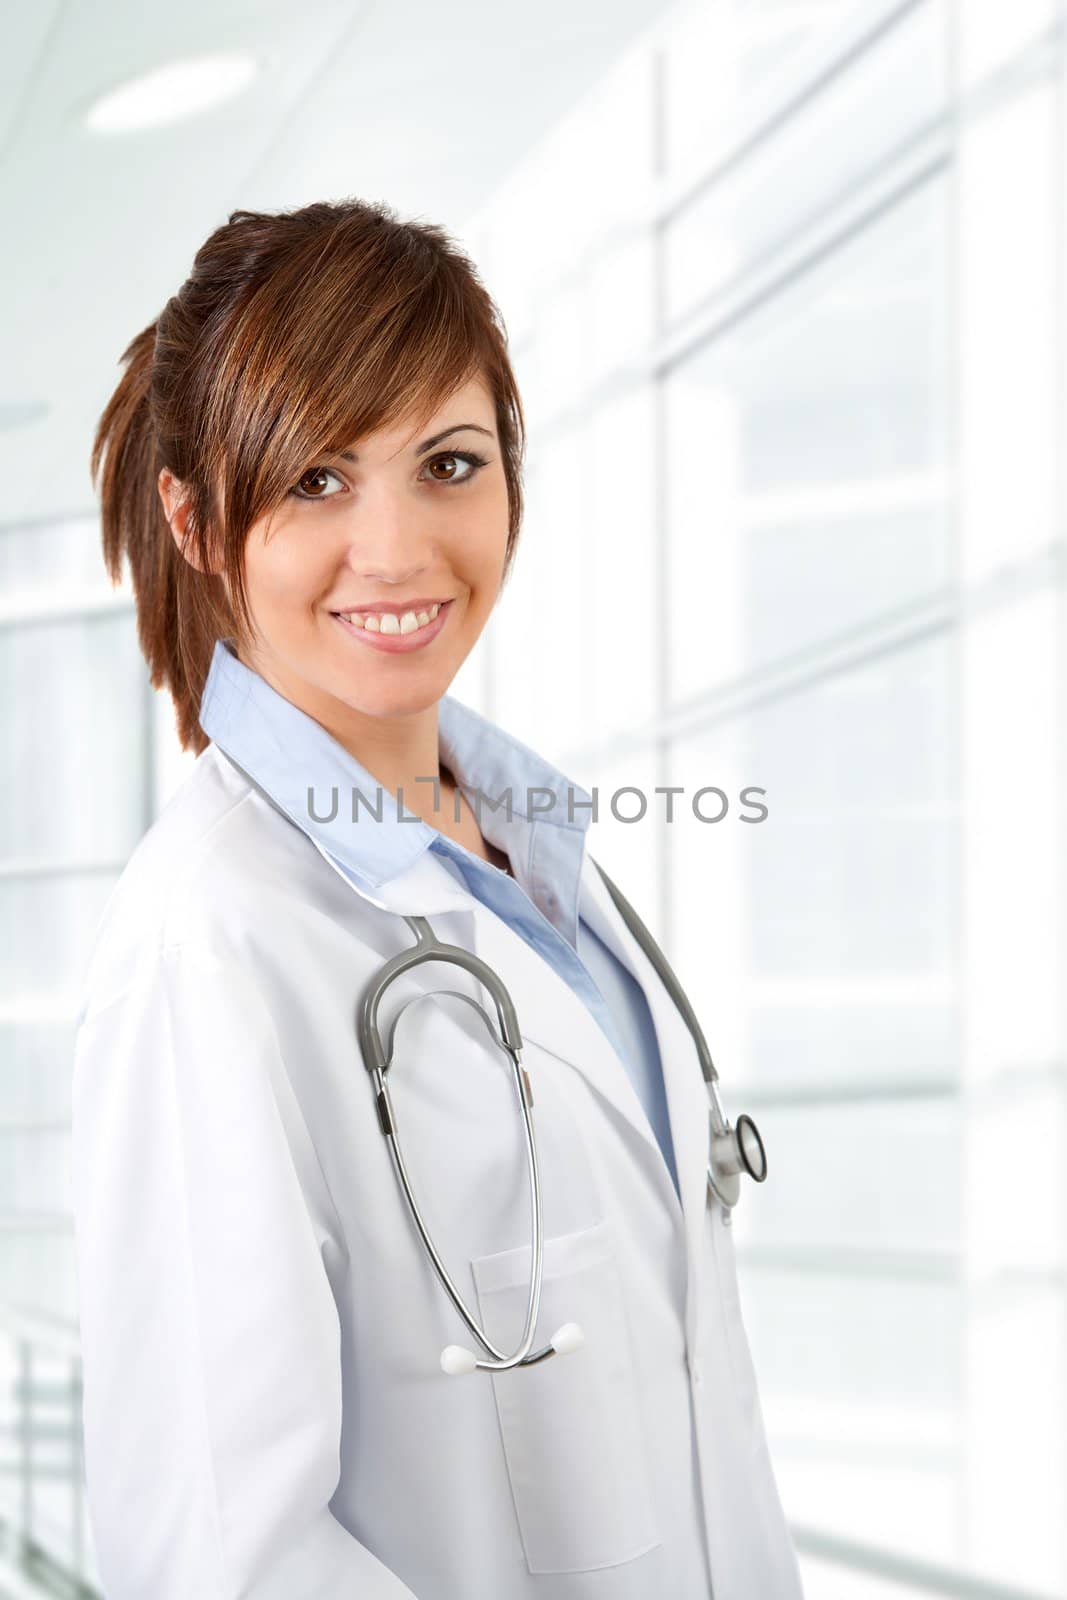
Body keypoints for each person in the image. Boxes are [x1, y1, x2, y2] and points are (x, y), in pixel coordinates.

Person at [71, 197, 804, 1600]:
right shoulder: (210, 942)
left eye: (447, 463)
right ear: (197, 522)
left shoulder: (541, 861)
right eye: (317, 482)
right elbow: (218, 1557)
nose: (399, 551)